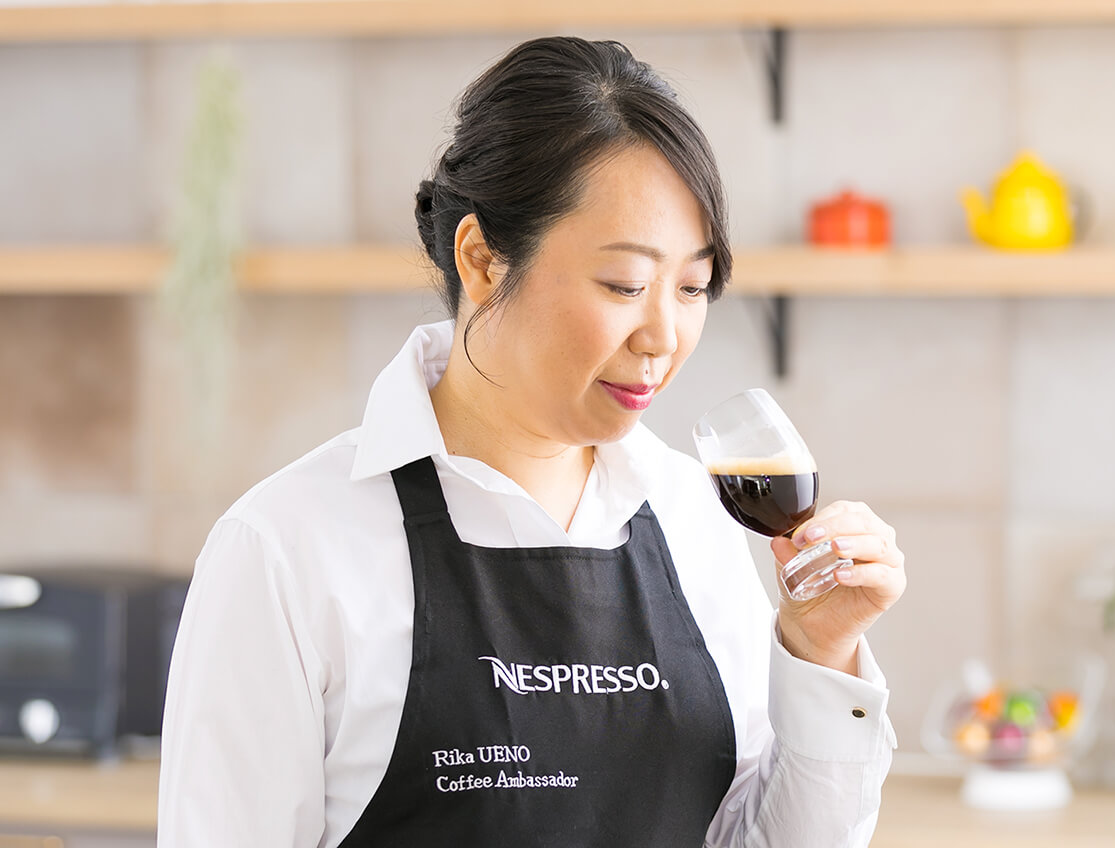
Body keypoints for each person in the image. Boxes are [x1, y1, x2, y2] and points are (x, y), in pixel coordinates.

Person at [158, 36, 905, 848]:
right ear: (481, 260)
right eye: (624, 284)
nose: (664, 336)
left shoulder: (694, 518)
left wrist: (820, 652)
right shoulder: (287, 549)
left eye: (692, 287)